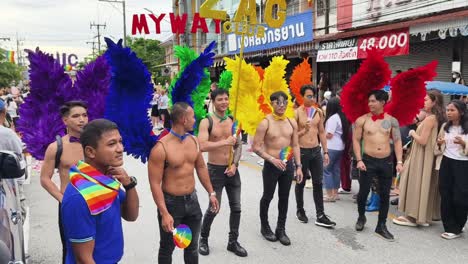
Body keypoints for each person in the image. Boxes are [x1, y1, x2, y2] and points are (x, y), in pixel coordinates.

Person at [148, 102, 219, 263]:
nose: (195, 120)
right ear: (183, 120)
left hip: (192, 202)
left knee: (192, 246)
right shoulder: (161, 148)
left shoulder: (193, 141)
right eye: (192, 117)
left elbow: (201, 167)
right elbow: (154, 183)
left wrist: (211, 192)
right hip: (171, 205)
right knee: (167, 248)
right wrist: (164, 213)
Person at [61, 119, 139, 263]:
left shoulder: (104, 180)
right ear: (90, 151)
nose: (120, 148)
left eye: (120, 141)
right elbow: (84, 259)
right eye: (112, 144)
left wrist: (129, 185)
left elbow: (131, 215)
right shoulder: (79, 196)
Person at [197, 89, 247, 257]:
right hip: (215, 170)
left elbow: (238, 145)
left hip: (232, 169)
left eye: (226, 99)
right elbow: (202, 145)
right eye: (220, 99)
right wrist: (224, 142)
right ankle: (203, 239)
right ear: (213, 100)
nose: (224, 102)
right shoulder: (207, 121)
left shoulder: (232, 120)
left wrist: (235, 165)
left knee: (237, 208)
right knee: (214, 208)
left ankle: (233, 242)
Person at [252, 91, 304, 246]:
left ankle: (281, 229)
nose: (281, 105)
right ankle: (265, 226)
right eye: (278, 102)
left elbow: (295, 145)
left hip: (287, 166)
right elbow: (256, 147)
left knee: (284, 197)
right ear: (271, 104)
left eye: (284, 102)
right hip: (271, 166)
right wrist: (272, 159)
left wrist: (299, 167)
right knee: (267, 197)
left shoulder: (291, 122)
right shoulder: (265, 122)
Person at [39, 101, 88, 263]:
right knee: (71, 250)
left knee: (99, 247)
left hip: (97, 202)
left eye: (84, 115)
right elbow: (45, 178)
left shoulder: (96, 143)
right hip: (70, 205)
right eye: (76, 116)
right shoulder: (56, 147)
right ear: (65, 121)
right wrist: (63, 199)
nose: (82, 119)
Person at [353, 90, 403, 241]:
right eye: (369, 101)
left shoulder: (391, 121)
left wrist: (399, 161)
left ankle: (381, 226)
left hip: (386, 161)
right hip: (367, 161)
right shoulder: (362, 120)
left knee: (384, 195)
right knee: (363, 193)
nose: (370, 104)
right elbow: (356, 140)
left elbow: (398, 141)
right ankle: (361, 217)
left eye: (373, 101)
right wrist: (359, 160)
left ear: (383, 102)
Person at [393, 90, 445, 227]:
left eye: (426, 99)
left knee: (416, 182)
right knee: (422, 183)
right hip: (424, 155)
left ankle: (413, 217)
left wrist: (412, 133)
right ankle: (419, 216)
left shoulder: (430, 118)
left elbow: (422, 140)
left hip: (422, 154)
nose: (424, 102)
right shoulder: (433, 117)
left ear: (434, 102)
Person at [294, 85, 335, 227]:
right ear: (302, 96)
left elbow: (322, 132)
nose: (311, 99)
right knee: (301, 181)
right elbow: (292, 136)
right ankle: (300, 210)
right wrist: (303, 130)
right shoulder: (297, 113)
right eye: (308, 96)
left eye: (313, 96)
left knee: (318, 182)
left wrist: (325, 151)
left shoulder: (318, 112)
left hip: (316, 151)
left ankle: (320, 214)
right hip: (302, 151)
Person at [435, 100, 468, 239]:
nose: (448, 113)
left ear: (461, 112)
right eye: (448, 110)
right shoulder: (445, 126)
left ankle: (459, 224)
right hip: (447, 162)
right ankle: (450, 227)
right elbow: (439, 143)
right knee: (445, 193)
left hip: (463, 164)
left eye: (452, 110)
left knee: (460, 197)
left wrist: (463, 143)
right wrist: (439, 143)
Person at [323, 97, 350, 202]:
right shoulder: (341, 117)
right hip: (340, 147)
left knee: (327, 170)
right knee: (335, 170)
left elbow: (329, 134)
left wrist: (320, 134)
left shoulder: (332, 118)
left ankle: (330, 195)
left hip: (331, 147)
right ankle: (335, 193)